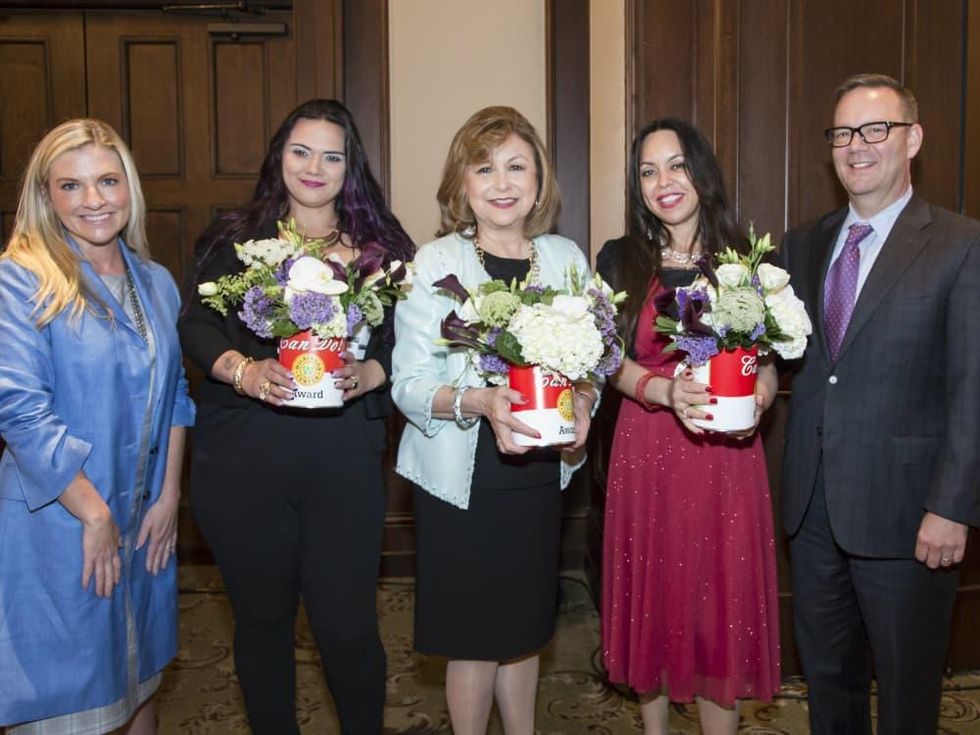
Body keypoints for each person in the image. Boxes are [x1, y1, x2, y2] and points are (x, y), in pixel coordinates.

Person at [178, 99, 414, 734]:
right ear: (279, 156)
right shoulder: (233, 239)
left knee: (348, 628)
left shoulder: (384, 251)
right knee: (262, 623)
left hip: (342, 463)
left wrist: (371, 373)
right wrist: (244, 371)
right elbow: (195, 326)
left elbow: (408, 344)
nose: (314, 167)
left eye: (331, 156)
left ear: (350, 166)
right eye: (301, 151)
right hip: (243, 461)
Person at [780, 73, 980, 734]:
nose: (856, 146)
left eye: (875, 129)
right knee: (827, 686)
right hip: (812, 512)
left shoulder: (961, 244)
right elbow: (791, 362)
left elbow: (972, 386)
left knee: (906, 696)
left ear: (912, 139)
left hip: (909, 518)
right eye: (842, 133)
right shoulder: (802, 243)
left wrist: (952, 507)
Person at [391, 106, 597, 735]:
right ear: (463, 182)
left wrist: (586, 402)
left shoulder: (566, 258)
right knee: (474, 638)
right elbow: (408, 386)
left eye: (516, 166)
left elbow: (592, 359)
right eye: (484, 168)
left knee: (523, 631)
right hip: (463, 479)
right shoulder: (434, 263)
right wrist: (480, 401)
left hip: (537, 475)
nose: (502, 183)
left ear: (539, 179)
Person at [0, 119, 195, 733]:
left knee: (138, 685)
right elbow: (21, 413)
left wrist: (170, 495)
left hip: (144, 519)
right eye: (71, 186)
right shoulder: (21, 279)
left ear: (129, 186)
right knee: (68, 699)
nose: (93, 200)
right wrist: (94, 514)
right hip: (61, 520)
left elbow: (177, 394)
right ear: (46, 196)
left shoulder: (155, 281)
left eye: (108, 181)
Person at [598, 118, 781, 735]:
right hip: (646, 446)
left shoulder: (748, 260)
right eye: (648, 172)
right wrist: (663, 391)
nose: (663, 182)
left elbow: (768, 361)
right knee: (652, 598)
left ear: (701, 171)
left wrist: (760, 395)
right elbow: (607, 361)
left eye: (676, 165)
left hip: (724, 456)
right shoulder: (620, 259)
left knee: (717, 608)